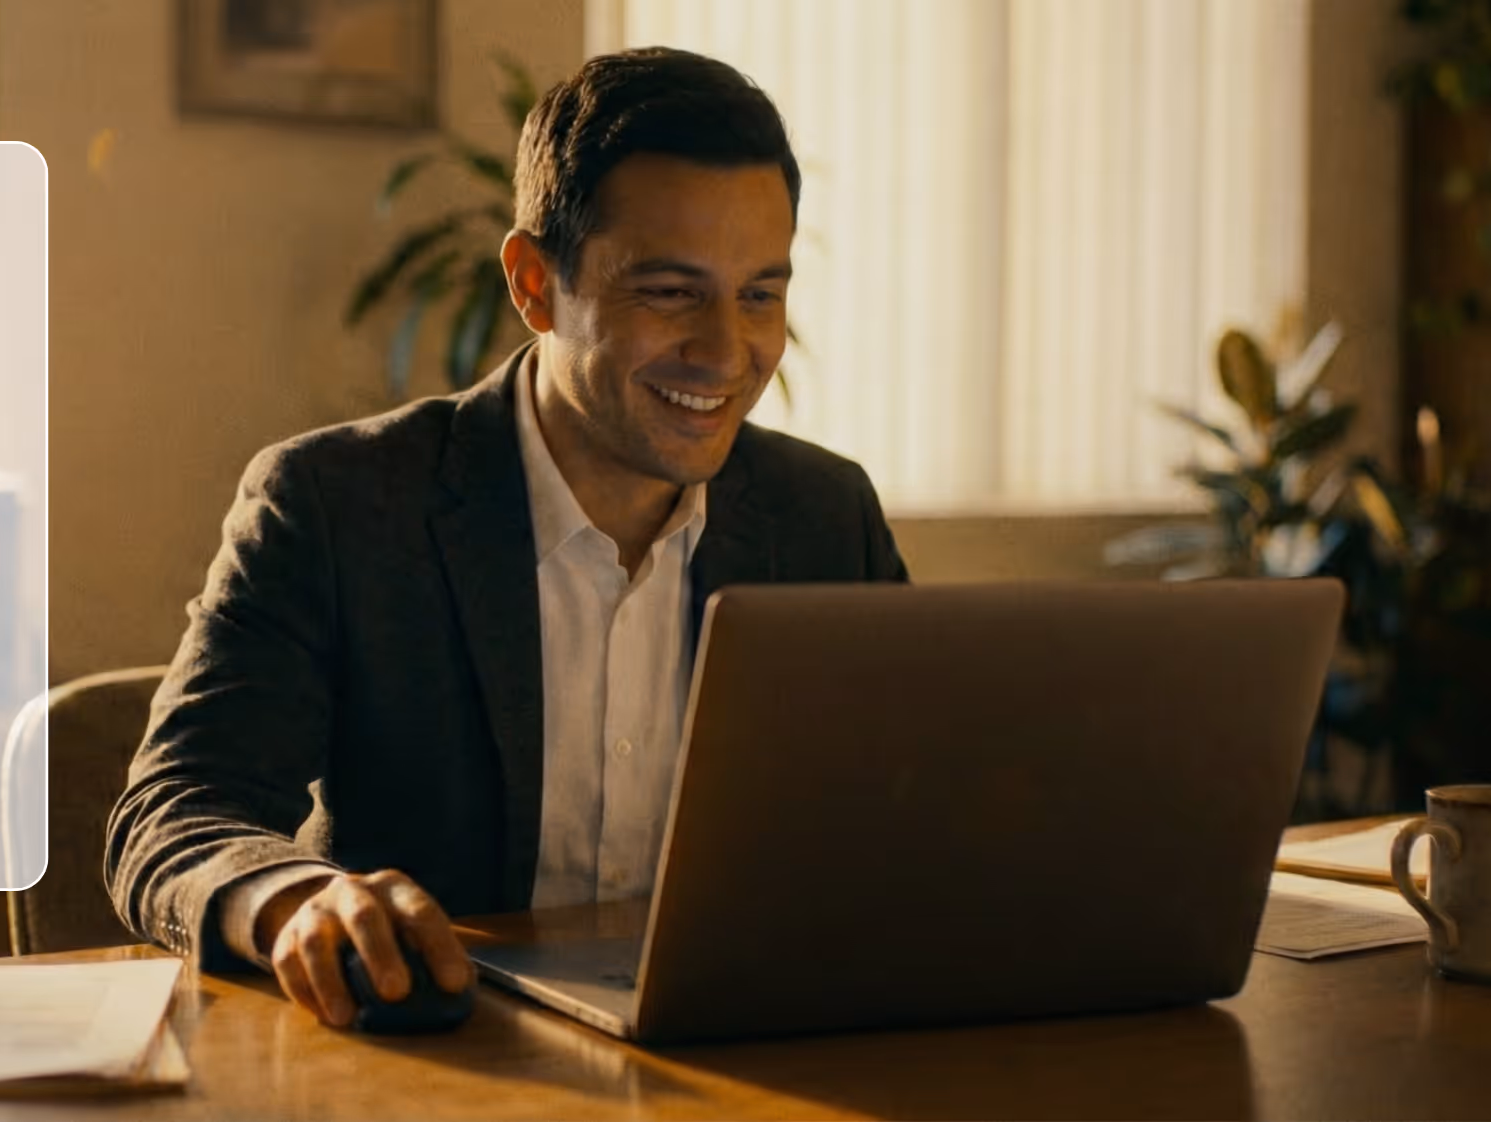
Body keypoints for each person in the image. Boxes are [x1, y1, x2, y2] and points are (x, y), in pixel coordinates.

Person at [103, 47, 909, 1027]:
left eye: (760, 293)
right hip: (432, 1056)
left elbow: (904, 821)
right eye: (668, 292)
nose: (726, 350)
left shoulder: (825, 517)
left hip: (744, 1059)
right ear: (535, 284)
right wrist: (293, 900)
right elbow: (172, 814)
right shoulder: (337, 504)